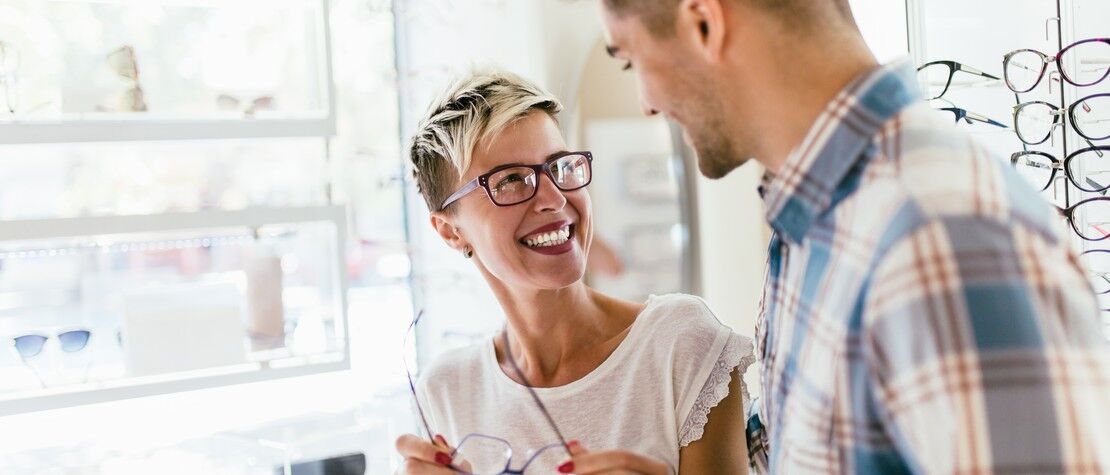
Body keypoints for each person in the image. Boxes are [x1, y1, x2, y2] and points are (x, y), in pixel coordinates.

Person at [593, 0, 1110, 473]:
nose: (647, 104)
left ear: (704, 22)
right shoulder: (815, 230)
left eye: (629, 58)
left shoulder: (937, 235)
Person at [393, 69, 753, 475]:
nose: (553, 197)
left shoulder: (680, 343)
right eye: (511, 180)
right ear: (450, 230)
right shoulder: (447, 392)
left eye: (560, 167)